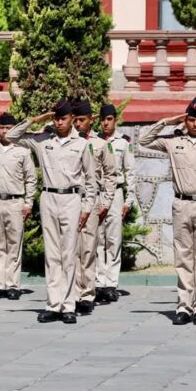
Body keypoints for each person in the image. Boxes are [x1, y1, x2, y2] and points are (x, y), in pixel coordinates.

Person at [139, 98, 196, 325]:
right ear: (186, 120)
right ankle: (184, 306)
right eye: (191, 120)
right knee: (183, 258)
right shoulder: (173, 142)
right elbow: (143, 140)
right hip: (181, 204)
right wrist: (168, 121)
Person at [6, 100, 96, 324]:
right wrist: (37, 119)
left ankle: (68, 305)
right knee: (53, 254)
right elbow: (11, 136)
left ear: (72, 119)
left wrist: (87, 208)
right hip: (49, 197)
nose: (58, 122)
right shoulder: (43, 141)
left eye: (62, 118)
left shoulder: (82, 144)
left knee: (69, 254)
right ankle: (53, 304)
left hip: (71, 199)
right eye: (56, 118)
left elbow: (91, 180)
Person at [72, 100, 117, 314]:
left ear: (91, 120)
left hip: (91, 200)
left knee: (88, 249)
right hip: (71, 199)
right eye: (75, 120)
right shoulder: (68, 142)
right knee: (71, 249)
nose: (77, 124)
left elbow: (111, 174)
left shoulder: (100, 144)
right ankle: (72, 293)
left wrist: (106, 202)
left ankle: (87, 294)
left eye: (81, 120)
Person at [0, 112, 36, 301]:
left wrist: (28, 202)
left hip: (16, 201)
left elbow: (31, 179)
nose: (4, 131)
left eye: (8, 128)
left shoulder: (22, 150)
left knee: (14, 244)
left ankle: (13, 284)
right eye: (1, 128)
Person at [96, 103, 137, 302]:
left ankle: (111, 283)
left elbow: (130, 172)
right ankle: (99, 282)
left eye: (109, 119)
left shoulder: (123, 142)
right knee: (97, 239)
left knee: (113, 239)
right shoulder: (94, 141)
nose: (105, 123)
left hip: (116, 194)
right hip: (97, 193)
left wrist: (129, 200)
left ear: (115, 120)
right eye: (103, 119)